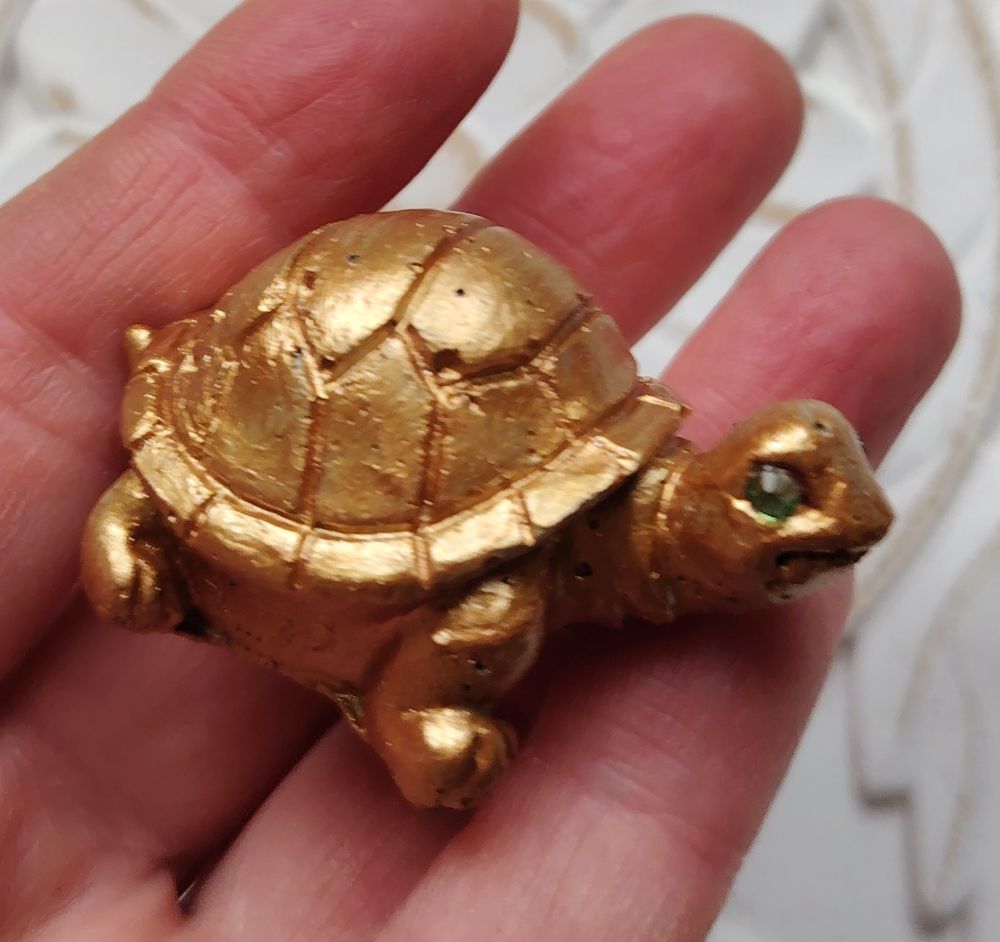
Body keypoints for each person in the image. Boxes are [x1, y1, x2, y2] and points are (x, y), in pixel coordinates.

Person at [0, 1, 960, 939]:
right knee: (147, 584)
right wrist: (425, 714)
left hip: (415, 338)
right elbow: (483, 605)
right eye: (771, 497)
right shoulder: (510, 595)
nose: (804, 529)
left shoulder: (612, 487)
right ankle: (155, 519)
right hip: (293, 381)